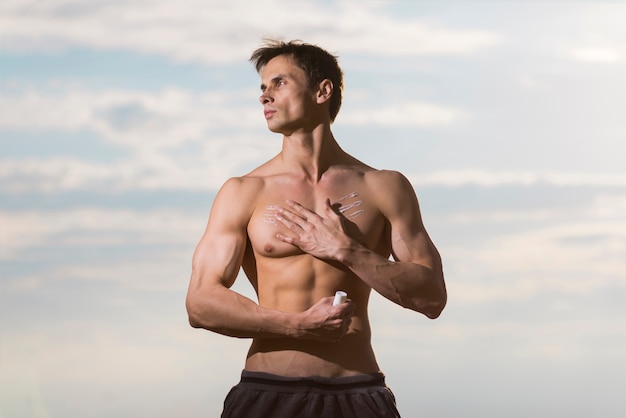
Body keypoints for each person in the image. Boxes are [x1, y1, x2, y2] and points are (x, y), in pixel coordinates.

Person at [186, 39, 447, 418]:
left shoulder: (384, 187)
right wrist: (296, 326)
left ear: (322, 90)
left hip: (357, 393)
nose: (265, 97)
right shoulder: (243, 191)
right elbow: (200, 303)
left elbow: (432, 298)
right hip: (268, 393)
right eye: (262, 88)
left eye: (279, 83)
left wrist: (346, 250)